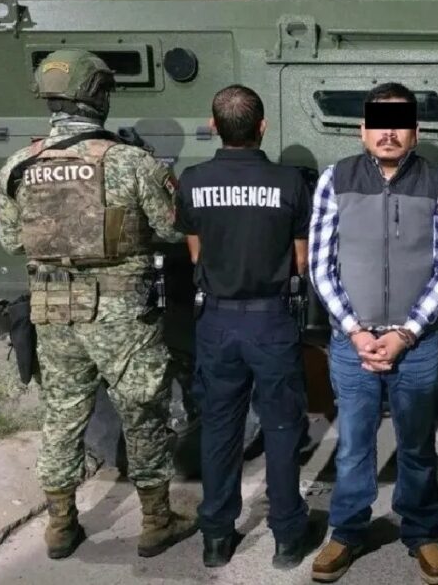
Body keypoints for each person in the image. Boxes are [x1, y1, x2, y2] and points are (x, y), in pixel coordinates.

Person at [0, 49, 196, 560]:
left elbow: (13, 243)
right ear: (97, 96)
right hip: (122, 312)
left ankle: (60, 525)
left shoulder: (18, 165)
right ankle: (156, 521)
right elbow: (173, 229)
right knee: (142, 411)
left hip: (55, 307)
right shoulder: (131, 161)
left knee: (62, 414)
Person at [308, 82, 438, 584]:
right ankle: (347, 532)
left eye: (399, 124)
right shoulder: (335, 179)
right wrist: (355, 331)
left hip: (416, 346)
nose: (388, 133)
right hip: (351, 344)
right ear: (363, 130)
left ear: (415, 132)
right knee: (354, 446)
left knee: (417, 447)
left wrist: (405, 334)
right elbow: (320, 266)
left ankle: (422, 532)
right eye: (379, 123)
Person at [173, 85, 317, 569]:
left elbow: (197, 254)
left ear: (214, 126)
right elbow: (301, 262)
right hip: (271, 320)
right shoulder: (290, 183)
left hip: (216, 320)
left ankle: (216, 537)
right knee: (282, 427)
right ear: (262, 127)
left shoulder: (193, 181)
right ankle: (287, 537)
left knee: (219, 428)